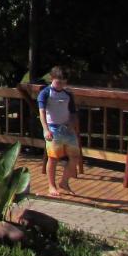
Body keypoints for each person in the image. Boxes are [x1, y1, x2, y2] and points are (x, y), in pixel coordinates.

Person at [37, 66, 82, 197]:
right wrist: (45, 129)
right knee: (53, 158)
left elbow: (73, 112)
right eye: (58, 82)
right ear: (52, 79)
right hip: (53, 128)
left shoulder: (67, 94)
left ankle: (64, 182)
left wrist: (73, 124)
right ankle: (52, 185)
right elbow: (42, 112)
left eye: (63, 82)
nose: (60, 85)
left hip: (67, 128)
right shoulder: (45, 93)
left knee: (74, 157)